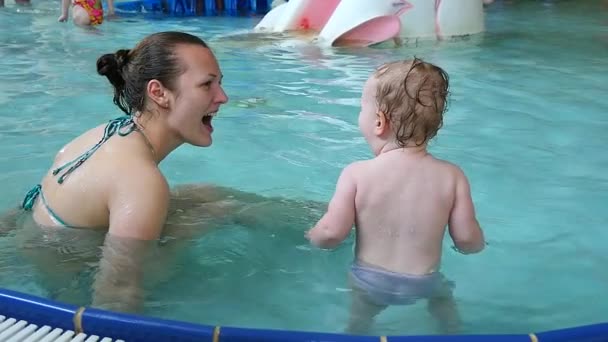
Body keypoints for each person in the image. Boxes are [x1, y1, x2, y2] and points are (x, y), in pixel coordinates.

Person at [19, 31, 228, 312]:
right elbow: (117, 295)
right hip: (68, 283)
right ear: (158, 93)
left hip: (36, 242)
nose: (223, 97)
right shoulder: (140, 181)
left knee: (207, 195)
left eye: (220, 84)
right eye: (207, 85)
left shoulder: (106, 133)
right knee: (210, 213)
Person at [306, 58, 485, 334]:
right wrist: (476, 243)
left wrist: (311, 237)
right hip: (425, 279)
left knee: (358, 324)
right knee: (446, 309)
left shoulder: (356, 174)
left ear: (379, 122)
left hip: (370, 279)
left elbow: (331, 233)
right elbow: (467, 240)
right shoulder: (452, 176)